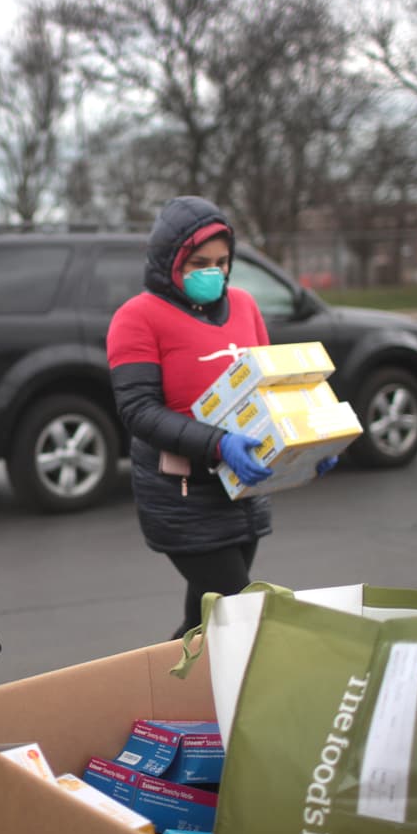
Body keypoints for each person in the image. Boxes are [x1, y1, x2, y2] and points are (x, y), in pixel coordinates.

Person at [106, 195, 335, 640]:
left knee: (206, 622)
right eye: (199, 263)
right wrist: (219, 443)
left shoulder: (245, 306)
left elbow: (272, 389)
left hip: (242, 492)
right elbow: (139, 411)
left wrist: (313, 445)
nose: (213, 272)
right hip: (182, 497)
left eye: (222, 262)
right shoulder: (137, 318)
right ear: (169, 261)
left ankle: (166, 680)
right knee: (242, 615)